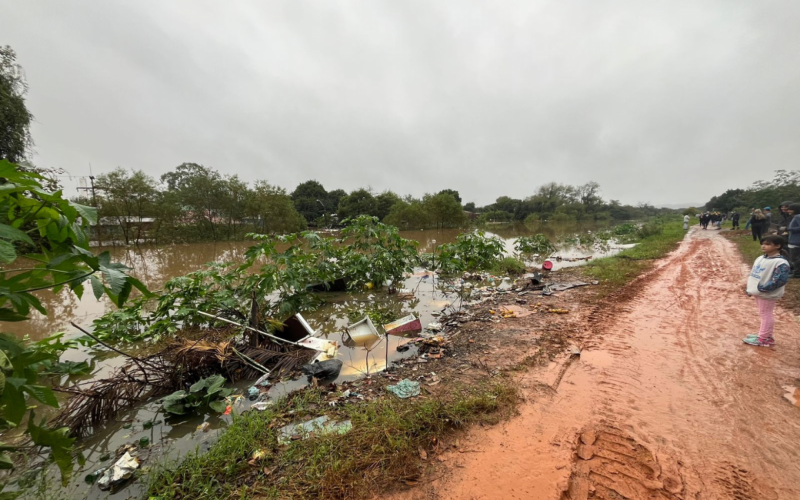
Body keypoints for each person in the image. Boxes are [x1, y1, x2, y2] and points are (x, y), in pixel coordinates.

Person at [743, 235, 790, 347]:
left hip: (767, 294)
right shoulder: (761, 258)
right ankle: (764, 335)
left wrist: (762, 289)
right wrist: (750, 288)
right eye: (763, 243)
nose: (763, 246)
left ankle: (764, 338)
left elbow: (779, 280)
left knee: (766, 315)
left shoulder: (780, 263)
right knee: (763, 313)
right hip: (758, 292)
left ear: (778, 246)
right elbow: (754, 275)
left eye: (768, 244)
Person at [786, 204, 800, 277]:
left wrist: (787, 229)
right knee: (795, 257)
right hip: (795, 240)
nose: (788, 211)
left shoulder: (798, 217)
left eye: (790, 209)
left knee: (795, 258)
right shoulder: (795, 217)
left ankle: (797, 272)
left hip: (796, 241)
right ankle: (795, 271)